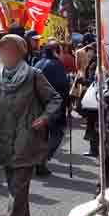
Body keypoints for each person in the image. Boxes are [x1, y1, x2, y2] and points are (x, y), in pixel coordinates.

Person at [0, 34, 62, 216]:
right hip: (3, 139)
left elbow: (55, 99)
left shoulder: (33, 75)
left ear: (20, 53)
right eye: (2, 50)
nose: (5, 54)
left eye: (10, 50)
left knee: (17, 187)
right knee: (15, 185)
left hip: (27, 138)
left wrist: (45, 118)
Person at [34, 40, 71, 176]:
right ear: (56, 51)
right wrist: (67, 103)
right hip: (53, 105)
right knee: (57, 133)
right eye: (60, 50)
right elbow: (63, 86)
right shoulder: (56, 65)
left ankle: (40, 162)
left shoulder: (38, 63)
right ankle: (41, 160)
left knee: (43, 136)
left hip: (39, 104)